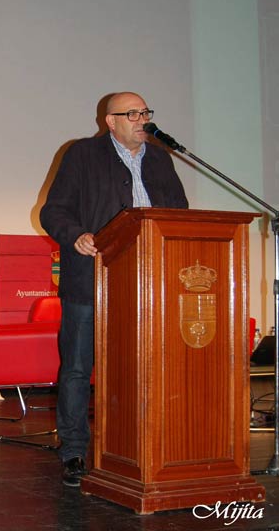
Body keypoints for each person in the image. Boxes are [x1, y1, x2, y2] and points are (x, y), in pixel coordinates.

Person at [39, 91, 188, 487]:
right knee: (76, 369)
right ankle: (73, 450)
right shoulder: (82, 155)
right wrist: (77, 236)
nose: (142, 119)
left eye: (146, 112)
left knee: (140, 370)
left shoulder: (161, 158)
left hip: (147, 284)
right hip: (91, 280)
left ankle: (135, 447)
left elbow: (181, 215)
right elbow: (52, 211)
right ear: (111, 121)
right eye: (132, 113)